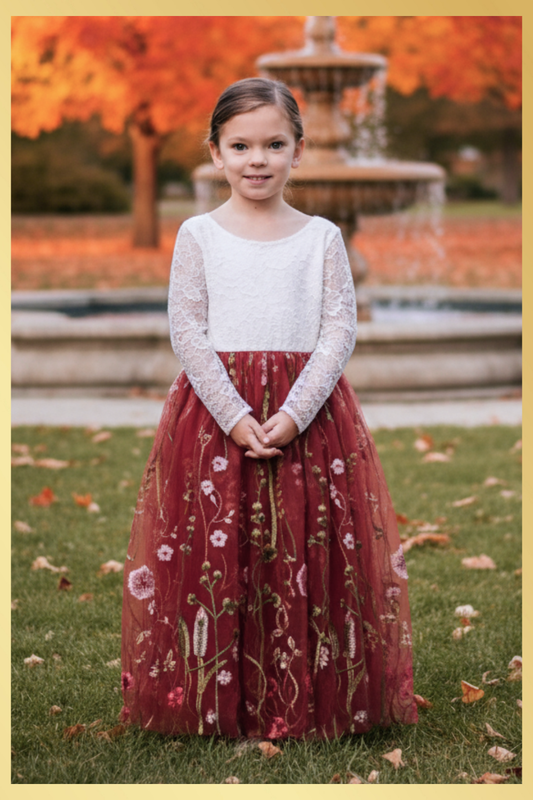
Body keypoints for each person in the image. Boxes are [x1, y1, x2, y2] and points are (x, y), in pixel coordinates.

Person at [121, 77, 418, 740]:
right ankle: (216, 695)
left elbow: (338, 329)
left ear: (298, 151)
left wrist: (294, 412)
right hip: (214, 415)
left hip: (306, 415)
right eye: (241, 146)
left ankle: (307, 692)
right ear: (215, 153)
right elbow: (187, 329)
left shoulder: (320, 237)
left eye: (274, 145)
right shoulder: (198, 234)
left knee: (303, 545)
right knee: (222, 548)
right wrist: (233, 416)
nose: (257, 159)